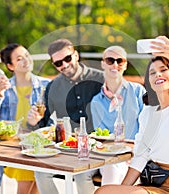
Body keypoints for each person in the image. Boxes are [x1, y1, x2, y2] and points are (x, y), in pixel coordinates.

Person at [95, 36, 169, 194]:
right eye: (152, 73)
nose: (158, 75)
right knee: (103, 191)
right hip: (150, 183)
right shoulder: (148, 112)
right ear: (148, 80)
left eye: (163, 70)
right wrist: (122, 189)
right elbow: (140, 156)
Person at [27, 38, 104, 194]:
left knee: (82, 175)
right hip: (68, 148)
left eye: (67, 58)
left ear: (75, 55)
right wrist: (34, 122)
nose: (64, 65)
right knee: (41, 172)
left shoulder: (101, 79)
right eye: (58, 63)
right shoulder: (52, 87)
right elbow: (43, 123)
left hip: (98, 147)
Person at [0, 43, 50, 194]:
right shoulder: (4, 88)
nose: (26, 60)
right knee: (30, 178)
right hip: (13, 147)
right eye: (19, 58)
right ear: (10, 66)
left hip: (38, 145)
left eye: (27, 55)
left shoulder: (46, 85)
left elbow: (54, 118)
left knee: (35, 184)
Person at [90, 45, 145, 185]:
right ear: (103, 63)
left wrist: (134, 151)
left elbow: (147, 126)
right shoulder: (96, 101)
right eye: (110, 60)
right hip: (110, 156)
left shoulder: (138, 91)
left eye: (119, 61)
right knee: (112, 168)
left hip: (136, 155)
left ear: (125, 65)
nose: (115, 64)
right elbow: (101, 137)